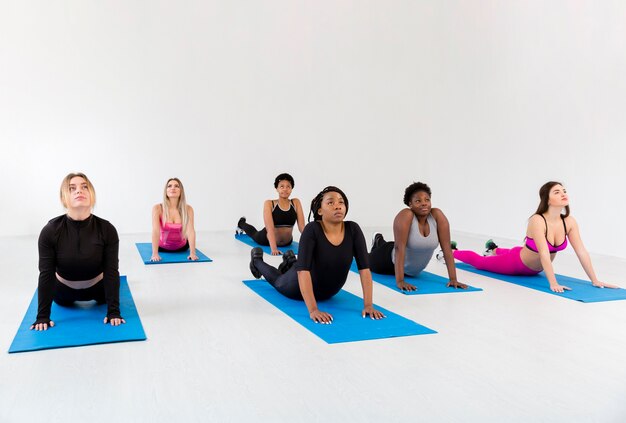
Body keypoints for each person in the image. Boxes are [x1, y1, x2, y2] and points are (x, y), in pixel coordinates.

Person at [249, 186, 385, 323]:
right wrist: (313, 309)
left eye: (341, 202)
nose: (337, 206)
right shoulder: (312, 230)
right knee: (278, 281)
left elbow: (365, 269)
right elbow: (303, 272)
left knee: (301, 264)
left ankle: (290, 261)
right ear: (320, 210)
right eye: (330, 203)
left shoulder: (353, 229)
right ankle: (257, 261)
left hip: (329, 292)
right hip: (297, 288)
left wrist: (368, 305)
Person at [452, 181, 619, 293]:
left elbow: (581, 251)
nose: (563, 194)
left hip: (533, 266)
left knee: (512, 250)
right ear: (547, 199)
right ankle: (451, 251)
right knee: (480, 263)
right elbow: (544, 253)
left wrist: (595, 280)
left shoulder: (569, 221)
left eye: (564, 191)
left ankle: (494, 248)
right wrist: (553, 283)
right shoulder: (537, 220)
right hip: (516, 264)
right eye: (557, 192)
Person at [31, 173, 124, 331]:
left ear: (92, 195)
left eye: (84, 187)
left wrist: (114, 311)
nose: (79, 191)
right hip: (62, 292)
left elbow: (111, 271)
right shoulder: (50, 231)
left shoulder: (107, 229)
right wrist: (42, 316)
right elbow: (46, 273)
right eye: (72, 188)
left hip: (99, 289)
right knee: (56, 290)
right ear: (63, 198)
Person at [369, 182, 467, 291]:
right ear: (410, 204)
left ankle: (379, 240)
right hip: (387, 261)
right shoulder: (406, 215)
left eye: (427, 200)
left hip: (412, 271)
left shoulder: (437, 215)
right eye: (418, 201)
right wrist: (400, 281)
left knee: (390, 245)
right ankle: (378, 242)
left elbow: (447, 248)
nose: (424, 203)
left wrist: (453, 279)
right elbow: (398, 248)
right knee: (364, 259)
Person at [237, 173, 306, 255]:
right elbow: (270, 229)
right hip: (266, 240)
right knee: (254, 233)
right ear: (276, 188)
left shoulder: (295, 202)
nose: (285, 189)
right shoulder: (270, 203)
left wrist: (313, 244)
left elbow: (302, 227)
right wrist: (274, 248)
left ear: (291, 189)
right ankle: (241, 223)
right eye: (282, 186)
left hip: (288, 243)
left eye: (288, 186)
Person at [151, 178, 198, 261]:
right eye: (169, 186)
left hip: (182, 248)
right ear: (166, 191)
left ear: (181, 191)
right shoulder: (157, 208)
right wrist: (155, 254)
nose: (173, 188)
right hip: (162, 248)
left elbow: (191, 231)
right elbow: (155, 231)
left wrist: (192, 253)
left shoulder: (188, 209)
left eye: (176, 186)